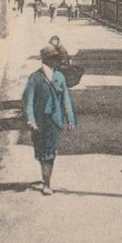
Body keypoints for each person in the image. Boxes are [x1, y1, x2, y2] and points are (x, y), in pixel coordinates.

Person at [22, 45, 77, 195]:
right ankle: (45, 173)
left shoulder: (59, 77)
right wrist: (30, 120)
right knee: (41, 151)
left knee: (49, 152)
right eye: (53, 59)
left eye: (57, 59)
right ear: (46, 60)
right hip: (39, 121)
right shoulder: (35, 78)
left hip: (55, 120)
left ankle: (47, 183)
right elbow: (28, 101)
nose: (57, 62)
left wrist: (70, 118)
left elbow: (65, 98)